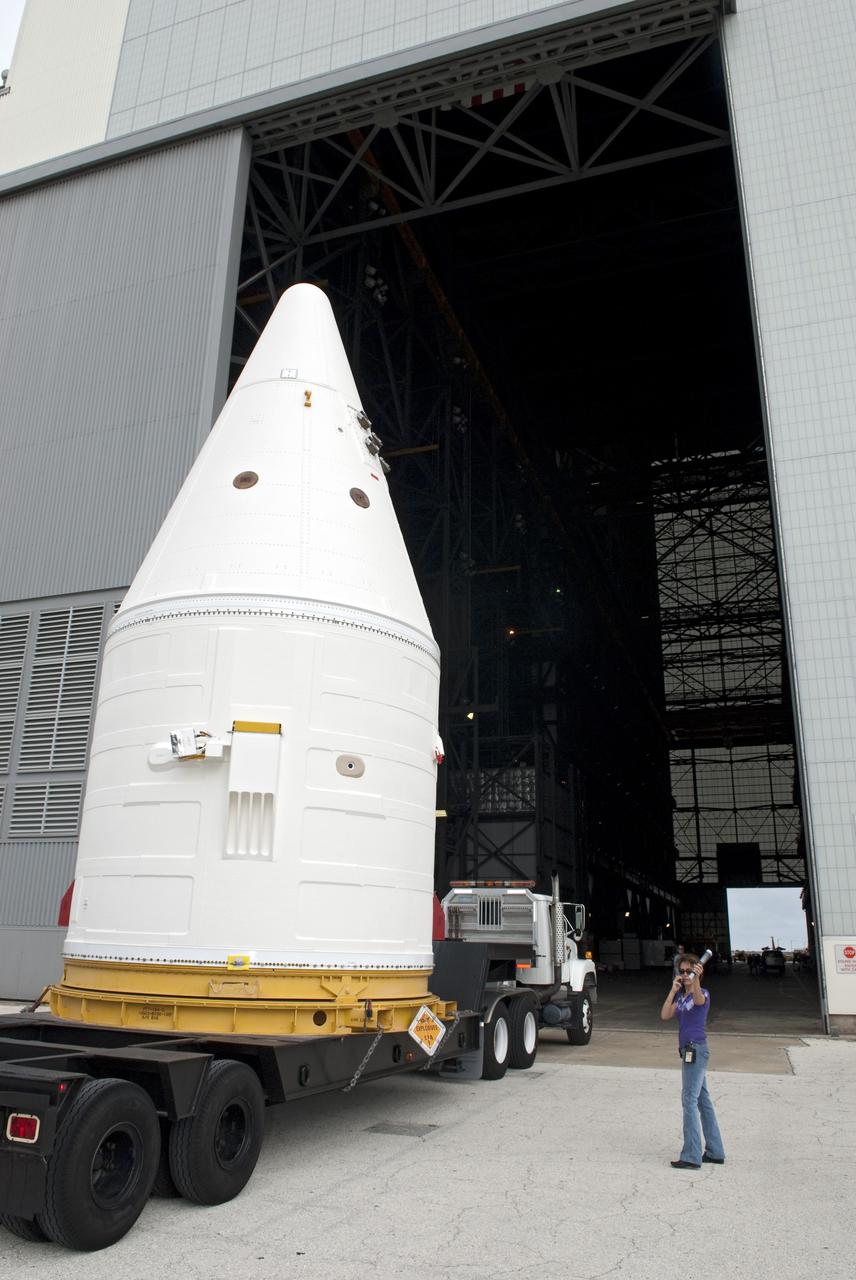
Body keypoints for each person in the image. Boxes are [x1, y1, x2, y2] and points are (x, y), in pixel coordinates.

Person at [660, 953, 725, 1170]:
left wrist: (695, 979)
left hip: (696, 1050)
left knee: (689, 1100)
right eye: (683, 971)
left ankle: (691, 1155)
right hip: (688, 1052)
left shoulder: (702, 993)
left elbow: (699, 1000)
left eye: (689, 971)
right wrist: (673, 990)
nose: (685, 975)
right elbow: (665, 1015)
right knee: (702, 1101)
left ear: (697, 972)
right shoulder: (680, 998)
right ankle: (715, 1151)